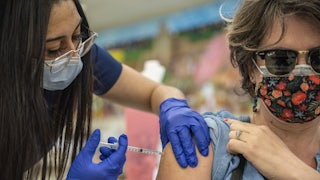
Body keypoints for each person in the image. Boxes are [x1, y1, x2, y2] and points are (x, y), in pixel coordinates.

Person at [0, 0, 210, 179]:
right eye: (54, 49)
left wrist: (172, 106)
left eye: (77, 35)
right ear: (11, 48)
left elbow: (155, 92)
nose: (75, 57)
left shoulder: (81, 52)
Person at [156, 0, 320, 179]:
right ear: (251, 68)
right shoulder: (206, 142)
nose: (304, 72)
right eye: (280, 59)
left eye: (318, 58)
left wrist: (294, 171)